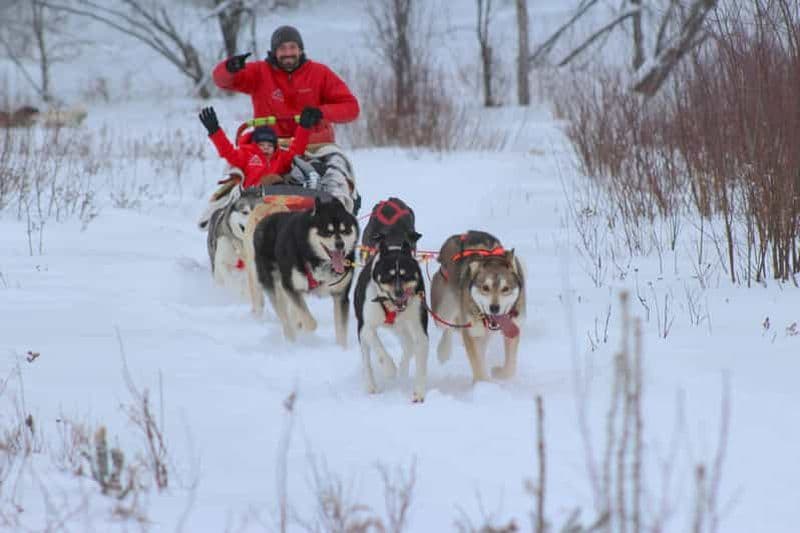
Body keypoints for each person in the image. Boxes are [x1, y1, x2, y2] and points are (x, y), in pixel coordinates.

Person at [212, 25, 359, 145]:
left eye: (292, 47)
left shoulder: (319, 73)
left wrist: (321, 112)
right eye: (282, 48)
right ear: (274, 52)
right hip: (270, 145)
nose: (288, 53)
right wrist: (229, 68)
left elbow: (351, 108)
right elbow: (221, 80)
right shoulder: (259, 72)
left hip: (314, 145)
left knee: (336, 171)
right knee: (240, 172)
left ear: (300, 50)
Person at [198, 105, 322, 189]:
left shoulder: (281, 157)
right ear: (254, 145)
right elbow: (228, 152)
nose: (266, 148)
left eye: (269, 145)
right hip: (253, 196)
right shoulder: (246, 155)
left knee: (289, 174)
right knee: (270, 179)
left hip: (278, 196)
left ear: (275, 146)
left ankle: (310, 185)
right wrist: (215, 131)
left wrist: (304, 128)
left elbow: (296, 150)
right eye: (261, 145)